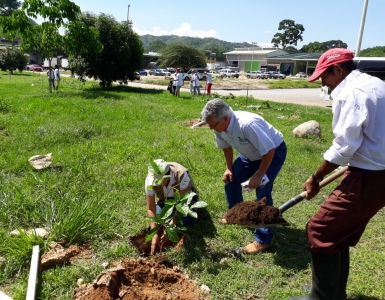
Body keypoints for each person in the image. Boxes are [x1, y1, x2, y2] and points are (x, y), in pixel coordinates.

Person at [289, 48, 385, 300]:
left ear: (339, 69)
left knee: (320, 229)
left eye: (325, 76)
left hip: (371, 175)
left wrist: (316, 177)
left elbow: (344, 147)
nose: (323, 83)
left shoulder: (351, 93)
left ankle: (321, 297)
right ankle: (333, 293)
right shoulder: (374, 84)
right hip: (373, 171)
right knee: (337, 233)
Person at [201, 99, 287, 253]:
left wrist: (259, 175)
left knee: (262, 191)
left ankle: (263, 240)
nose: (211, 129)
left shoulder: (248, 124)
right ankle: (237, 215)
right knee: (230, 180)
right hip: (251, 154)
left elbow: (269, 151)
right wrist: (229, 168)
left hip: (273, 152)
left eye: (212, 126)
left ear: (225, 119)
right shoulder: (220, 126)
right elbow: (226, 146)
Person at [145, 159, 199, 254]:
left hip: (183, 202)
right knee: (157, 217)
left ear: (166, 177)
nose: (155, 184)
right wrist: (154, 233)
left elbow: (183, 202)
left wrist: (171, 226)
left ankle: (174, 221)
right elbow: (150, 208)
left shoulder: (181, 175)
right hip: (166, 201)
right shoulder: (150, 180)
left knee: (186, 220)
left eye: (158, 181)